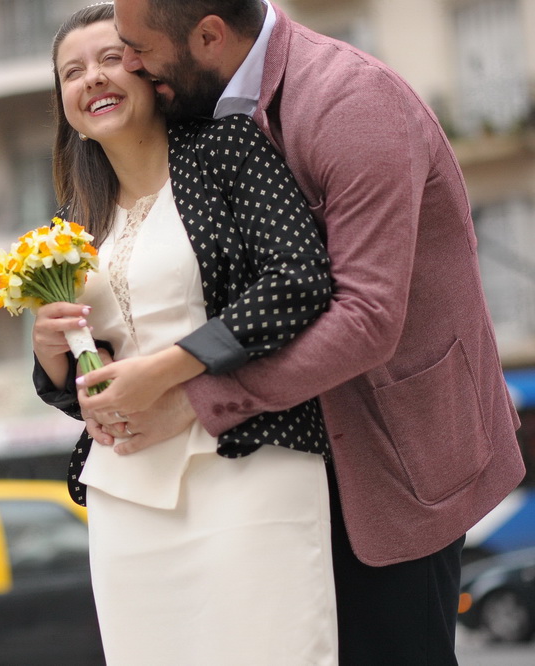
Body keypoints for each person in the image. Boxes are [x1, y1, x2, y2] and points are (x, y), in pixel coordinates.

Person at [74, 1, 527, 663]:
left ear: (208, 35)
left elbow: (367, 320)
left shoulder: (353, 103)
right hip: (274, 467)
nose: (133, 67)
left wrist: (194, 401)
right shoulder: (194, 102)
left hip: (391, 447)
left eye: (139, 50)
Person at [33, 3, 338, 663]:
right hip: (127, 490)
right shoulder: (73, 222)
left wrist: (171, 367)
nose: (92, 79)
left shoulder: (227, 148)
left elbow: (299, 279)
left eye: (111, 59)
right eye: (72, 72)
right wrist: (53, 360)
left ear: (148, 70)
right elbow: (93, 383)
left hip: (249, 460)